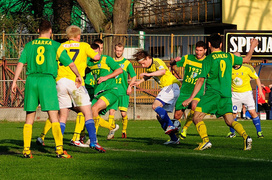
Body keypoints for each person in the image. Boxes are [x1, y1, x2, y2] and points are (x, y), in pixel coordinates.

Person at [11, 20, 81, 158]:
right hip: (47, 81)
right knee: (54, 116)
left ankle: (26, 150)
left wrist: (14, 82)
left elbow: (20, 63)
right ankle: (59, 150)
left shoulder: (29, 45)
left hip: (31, 81)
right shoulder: (56, 45)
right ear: (50, 32)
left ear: (38, 31)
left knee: (29, 117)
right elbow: (70, 63)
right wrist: (78, 75)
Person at [182, 33, 258, 150]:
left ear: (209, 44)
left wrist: (190, 98)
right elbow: (247, 59)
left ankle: (206, 141)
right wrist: (252, 46)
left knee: (196, 117)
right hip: (226, 95)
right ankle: (246, 136)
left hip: (213, 93)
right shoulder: (229, 56)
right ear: (221, 44)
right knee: (229, 120)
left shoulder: (208, 59)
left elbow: (201, 79)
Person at [132, 49, 181, 144]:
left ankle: (171, 125)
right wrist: (139, 82)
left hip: (171, 86)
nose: (142, 66)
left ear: (147, 58)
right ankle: (174, 139)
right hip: (169, 89)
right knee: (159, 116)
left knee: (155, 106)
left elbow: (162, 71)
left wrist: (149, 74)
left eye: (143, 63)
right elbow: (148, 76)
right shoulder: (149, 67)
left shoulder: (157, 61)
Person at [170, 41, 207, 140]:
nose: (198, 52)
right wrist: (174, 61)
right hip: (184, 91)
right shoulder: (188, 58)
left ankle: (185, 128)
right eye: (197, 50)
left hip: (197, 92)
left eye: (200, 50)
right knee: (177, 115)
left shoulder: (208, 61)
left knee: (194, 106)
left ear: (205, 50)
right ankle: (174, 137)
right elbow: (172, 64)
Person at [88, 43, 123, 139]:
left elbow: (120, 70)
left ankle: (92, 139)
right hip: (98, 93)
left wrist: (106, 77)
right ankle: (112, 127)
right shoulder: (89, 62)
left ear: (100, 51)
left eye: (97, 52)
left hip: (110, 90)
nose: (96, 55)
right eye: (93, 53)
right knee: (88, 113)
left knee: (94, 109)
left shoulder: (106, 59)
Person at [226, 52, 264, 138]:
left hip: (247, 93)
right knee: (233, 114)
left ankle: (259, 132)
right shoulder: (229, 69)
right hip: (235, 94)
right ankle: (232, 133)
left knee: (252, 112)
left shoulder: (248, 68)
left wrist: (260, 91)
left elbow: (256, 78)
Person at [107, 43, 137, 139]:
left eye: (120, 51)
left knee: (123, 113)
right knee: (111, 112)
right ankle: (111, 131)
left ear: (123, 51)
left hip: (123, 92)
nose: (118, 52)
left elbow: (134, 76)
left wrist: (130, 87)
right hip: (113, 92)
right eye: (117, 50)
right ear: (114, 50)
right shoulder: (110, 61)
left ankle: (124, 131)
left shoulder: (127, 63)